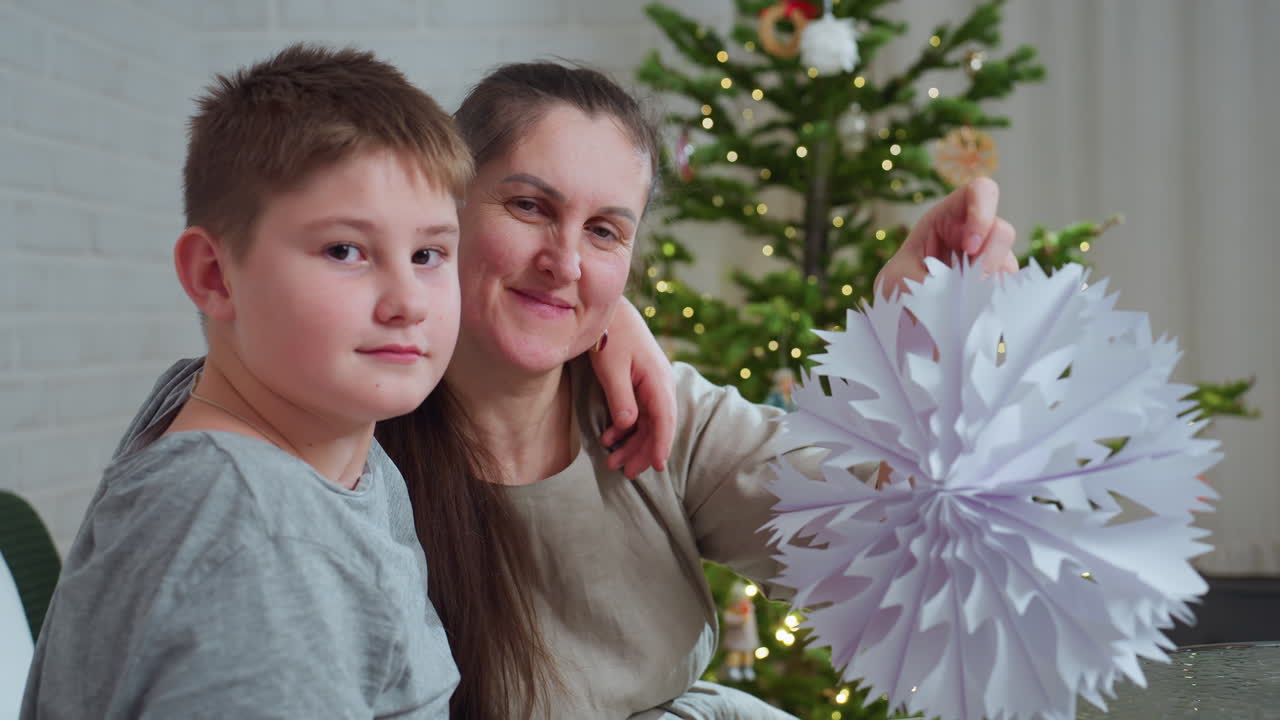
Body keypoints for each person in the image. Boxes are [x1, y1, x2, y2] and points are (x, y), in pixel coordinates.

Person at [376, 61, 1017, 719]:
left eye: (604, 231)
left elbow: (893, 570)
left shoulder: (660, 412)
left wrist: (923, 364)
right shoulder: (347, 438)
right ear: (444, 206)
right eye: (530, 207)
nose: (564, 262)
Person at [20, 44, 474, 719]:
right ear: (213, 275)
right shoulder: (259, 539)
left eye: (429, 254)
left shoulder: (278, 423)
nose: (407, 300)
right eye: (345, 250)